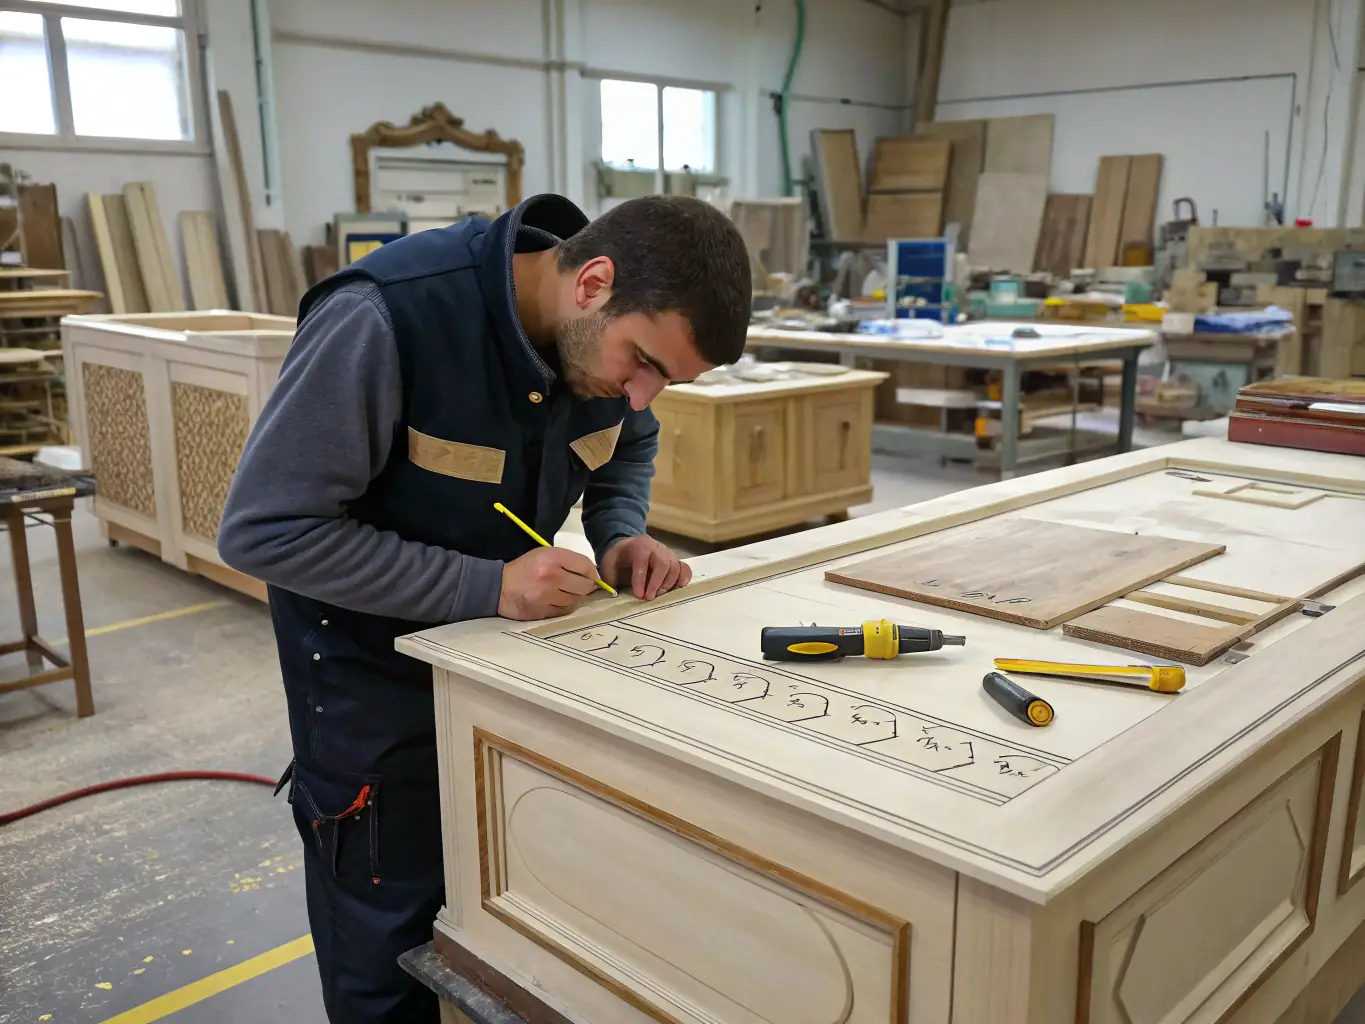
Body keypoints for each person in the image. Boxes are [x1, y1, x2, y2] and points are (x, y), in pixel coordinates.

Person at [216, 192, 753, 1022]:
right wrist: (487, 587)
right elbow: (265, 532)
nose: (641, 396)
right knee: (386, 942)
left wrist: (619, 532)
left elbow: (626, 441)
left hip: (501, 666)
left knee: (506, 909)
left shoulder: (606, 355)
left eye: (665, 382)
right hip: (369, 686)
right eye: (641, 363)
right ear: (594, 283)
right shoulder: (386, 318)